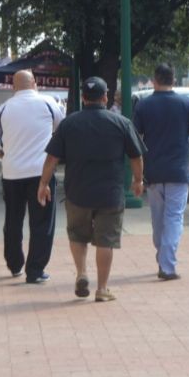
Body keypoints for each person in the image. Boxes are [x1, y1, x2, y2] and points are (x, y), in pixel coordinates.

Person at [37, 77, 145, 302]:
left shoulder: (69, 123)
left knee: (78, 234)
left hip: (77, 191)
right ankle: (102, 288)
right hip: (110, 193)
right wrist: (138, 180)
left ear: (83, 98)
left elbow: (52, 158)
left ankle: (82, 273)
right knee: (106, 240)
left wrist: (43, 184)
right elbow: (136, 156)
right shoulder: (121, 123)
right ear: (105, 97)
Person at [0, 70, 65, 284]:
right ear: (35, 83)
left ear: (13, 87)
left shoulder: (4, 109)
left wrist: (1, 154)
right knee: (42, 222)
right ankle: (35, 270)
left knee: (13, 219)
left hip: (11, 173)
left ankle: (15, 263)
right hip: (41, 174)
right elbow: (62, 131)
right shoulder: (48, 103)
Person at [133, 63, 189, 281]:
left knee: (158, 220)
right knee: (174, 218)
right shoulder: (186, 104)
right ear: (174, 79)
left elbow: (136, 141)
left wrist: (138, 174)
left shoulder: (143, 106)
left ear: (154, 80)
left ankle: (163, 256)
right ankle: (167, 265)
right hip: (179, 171)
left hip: (153, 172)